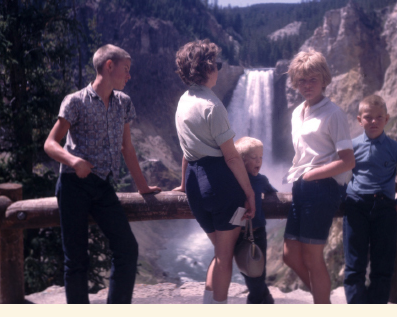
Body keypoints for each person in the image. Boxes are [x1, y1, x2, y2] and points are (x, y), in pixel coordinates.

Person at [44, 44, 161, 304]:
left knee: (127, 249)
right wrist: (74, 161)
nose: (129, 76)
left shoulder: (124, 103)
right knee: (76, 260)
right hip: (73, 184)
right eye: (126, 70)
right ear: (109, 66)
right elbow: (50, 144)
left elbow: (127, 148)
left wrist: (142, 187)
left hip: (102, 187)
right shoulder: (75, 101)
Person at [172, 39, 256, 304]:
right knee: (224, 258)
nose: (219, 68)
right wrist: (250, 193)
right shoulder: (213, 106)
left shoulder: (183, 102)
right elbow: (231, 157)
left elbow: (187, 153)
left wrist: (183, 185)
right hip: (222, 188)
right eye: (216, 64)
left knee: (220, 253)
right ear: (207, 67)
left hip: (196, 188)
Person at [282, 49, 355, 304]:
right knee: (290, 255)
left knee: (313, 258)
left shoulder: (333, 113)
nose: (307, 85)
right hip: (301, 187)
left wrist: (312, 175)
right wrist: (303, 178)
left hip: (322, 188)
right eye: (301, 80)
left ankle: (322, 304)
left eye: (313, 79)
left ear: (324, 79)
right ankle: (322, 298)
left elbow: (348, 161)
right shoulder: (297, 112)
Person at [343, 95, 397, 304]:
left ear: (387, 119)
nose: (374, 121)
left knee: (382, 267)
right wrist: (345, 197)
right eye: (368, 117)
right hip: (356, 207)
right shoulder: (352, 146)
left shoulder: (394, 148)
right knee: (354, 265)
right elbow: (340, 175)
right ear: (360, 120)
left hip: (384, 210)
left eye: (379, 117)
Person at [231, 137, 276, 304]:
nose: (259, 161)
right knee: (248, 270)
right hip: (239, 234)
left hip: (258, 233)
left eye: (261, 157)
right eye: (254, 157)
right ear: (242, 160)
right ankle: (261, 299)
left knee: (258, 271)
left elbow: (272, 191)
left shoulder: (261, 180)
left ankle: (259, 300)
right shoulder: (233, 180)